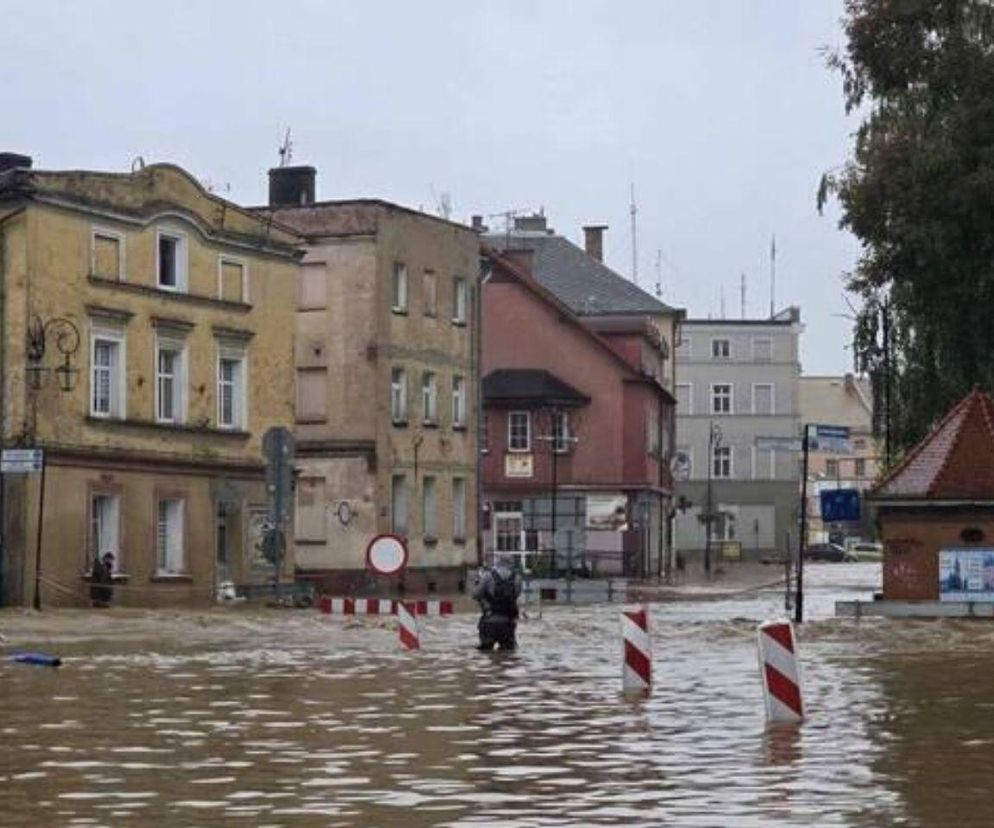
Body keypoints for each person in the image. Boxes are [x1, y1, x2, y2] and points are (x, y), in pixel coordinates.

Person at [472, 556, 522, 651]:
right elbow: (516, 595)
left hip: (489, 620)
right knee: (508, 654)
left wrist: (478, 585)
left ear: (497, 563)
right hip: (508, 623)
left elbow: (476, 594)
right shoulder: (517, 578)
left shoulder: (488, 576)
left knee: (485, 653)